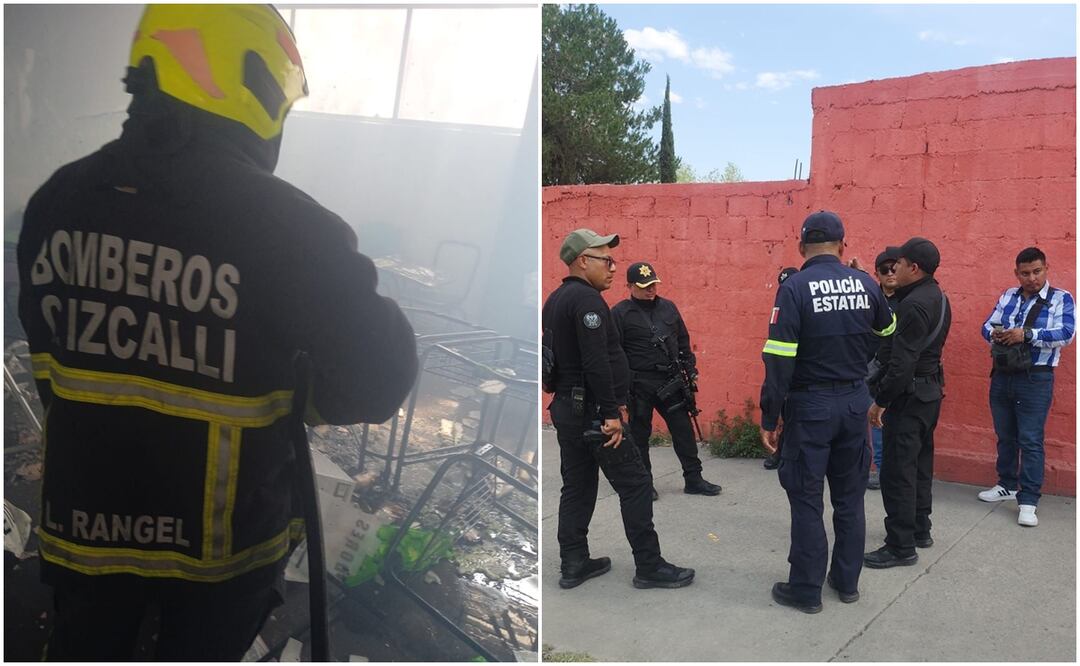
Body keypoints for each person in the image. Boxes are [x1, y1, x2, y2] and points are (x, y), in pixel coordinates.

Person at [16, 6, 418, 660]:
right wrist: (296, 396)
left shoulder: (54, 202)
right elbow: (380, 378)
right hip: (218, 559)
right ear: (253, 84)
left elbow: (50, 358)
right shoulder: (292, 229)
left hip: (84, 536)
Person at [543, 229, 694, 591]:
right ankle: (649, 565)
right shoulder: (589, 301)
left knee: (577, 485)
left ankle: (574, 562)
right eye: (606, 260)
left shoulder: (556, 298)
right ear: (583, 261)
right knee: (637, 485)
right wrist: (610, 414)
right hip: (594, 413)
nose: (613, 268)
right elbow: (596, 361)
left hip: (567, 407)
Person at [759, 211, 895, 613]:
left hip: (811, 407)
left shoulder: (794, 289)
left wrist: (769, 416)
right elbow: (888, 331)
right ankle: (847, 582)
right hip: (854, 404)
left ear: (802, 247)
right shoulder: (866, 284)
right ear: (842, 245)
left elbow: (778, 359)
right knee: (850, 500)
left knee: (806, 500)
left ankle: (805, 589)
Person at [864, 237, 951, 569]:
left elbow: (902, 365)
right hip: (929, 394)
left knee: (898, 472)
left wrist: (880, 401)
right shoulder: (938, 297)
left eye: (898, 264)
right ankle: (919, 529)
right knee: (919, 466)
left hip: (909, 398)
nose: (893, 269)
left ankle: (900, 546)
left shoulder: (913, 305)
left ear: (913, 268)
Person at [977, 247, 1075, 527]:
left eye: (1037, 271)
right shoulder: (1008, 295)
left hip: (1036, 377)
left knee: (1030, 439)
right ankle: (1006, 484)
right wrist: (997, 334)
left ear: (1046, 269)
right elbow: (986, 326)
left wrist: (1026, 334)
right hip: (1003, 374)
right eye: (1025, 273)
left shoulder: (1061, 298)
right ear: (1016, 273)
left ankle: (1029, 499)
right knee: (1005, 434)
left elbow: (1067, 333)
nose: (1032, 278)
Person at [611, 262, 721, 500]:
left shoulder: (668, 308)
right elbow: (615, 353)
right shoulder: (620, 313)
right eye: (644, 286)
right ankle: (645, 484)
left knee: (683, 431)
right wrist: (620, 390)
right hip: (639, 384)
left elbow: (683, 341)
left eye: (653, 284)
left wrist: (690, 370)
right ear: (630, 286)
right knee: (640, 436)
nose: (650, 289)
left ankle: (694, 478)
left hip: (670, 382)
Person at [866, 247, 901, 490]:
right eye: (884, 270)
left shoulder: (907, 299)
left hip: (898, 368)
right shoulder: (869, 296)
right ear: (877, 273)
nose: (890, 273)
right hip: (871, 368)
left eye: (893, 268)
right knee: (875, 420)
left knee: (897, 423)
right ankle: (880, 469)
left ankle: (895, 471)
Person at [763, 266, 799, 472]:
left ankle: (787, 454)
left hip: (804, 373)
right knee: (787, 413)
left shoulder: (802, 301)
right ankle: (781, 452)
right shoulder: (781, 308)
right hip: (786, 371)